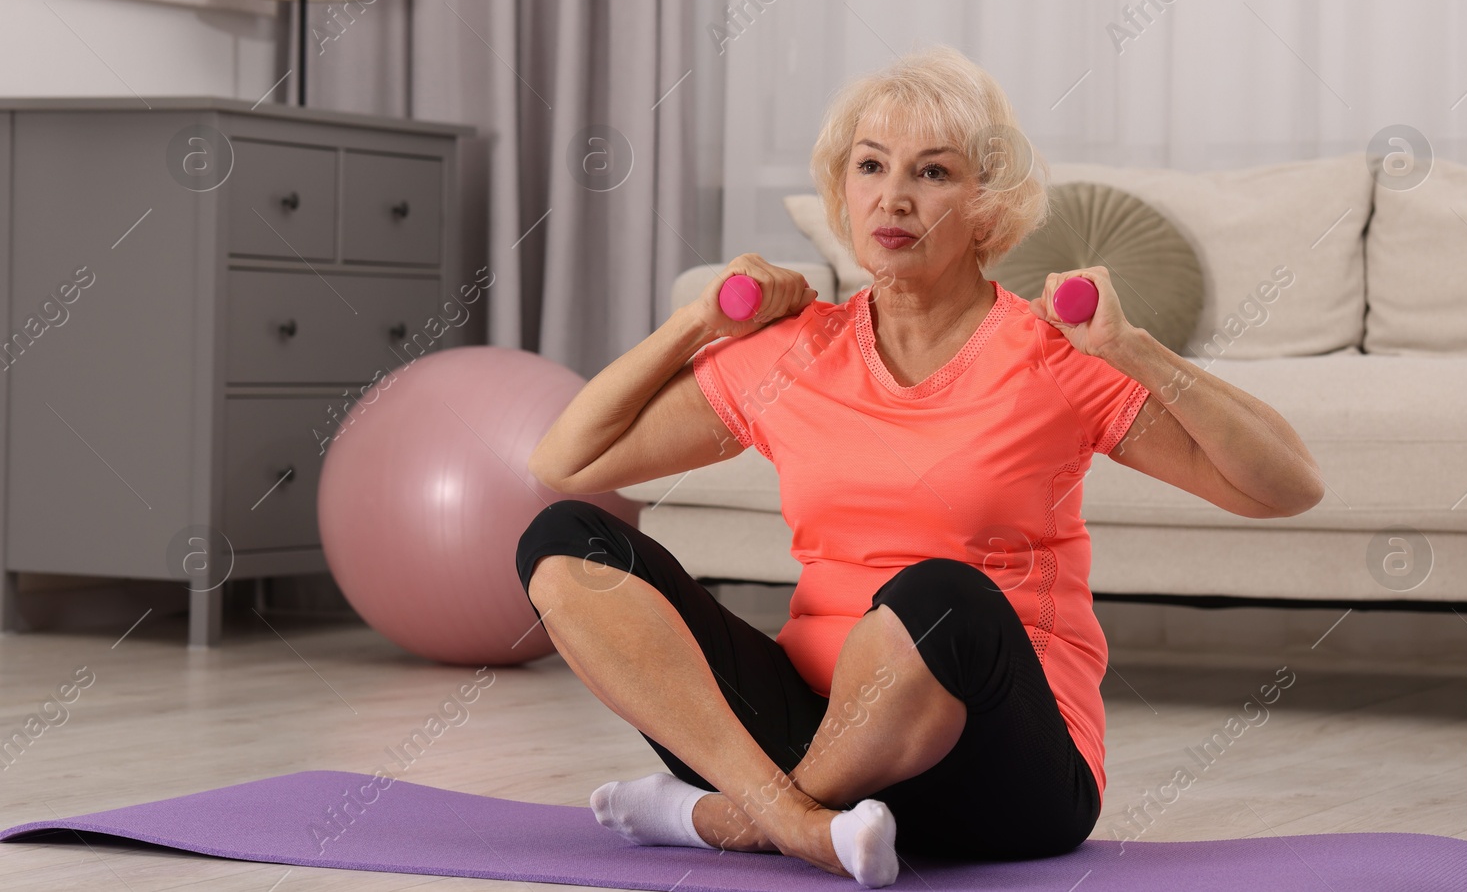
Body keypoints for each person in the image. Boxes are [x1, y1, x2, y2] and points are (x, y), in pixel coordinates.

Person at [520, 45, 1323, 888]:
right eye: (871, 165)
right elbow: (567, 460)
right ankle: (794, 818)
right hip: (811, 729)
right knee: (566, 541)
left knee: (941, 595)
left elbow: (1288, 484)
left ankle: (723, 816)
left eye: (932, 172)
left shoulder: (1052, 354)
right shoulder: (795, 353)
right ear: (844, 190)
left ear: (986, 207)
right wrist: (697, 323)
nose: (893, 196)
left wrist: (1131, 347)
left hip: (1002, 772)